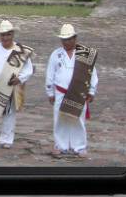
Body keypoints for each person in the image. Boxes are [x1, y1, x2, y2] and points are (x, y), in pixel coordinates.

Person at [0, 20, 35, 149]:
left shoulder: (20, 51)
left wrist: (19, 79)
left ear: (12, 34)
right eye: (2, 35)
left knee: (9, 115)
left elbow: (28, 70)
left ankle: (6, 140)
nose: (5, 37)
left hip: (10, 87)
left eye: (8, 34)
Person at [45, 23, 99, 157]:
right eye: (64, 39)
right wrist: (50, 92)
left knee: (78, 119)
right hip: (60, 92)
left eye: (69, 38)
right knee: (59, 119)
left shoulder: (84, 55)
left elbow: (92, 74)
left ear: (75, 38)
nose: (66, 42)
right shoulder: (56, 54)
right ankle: (60, 145)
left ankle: (79, 147)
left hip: (78, 92)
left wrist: (91, 91)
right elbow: (50, 74)